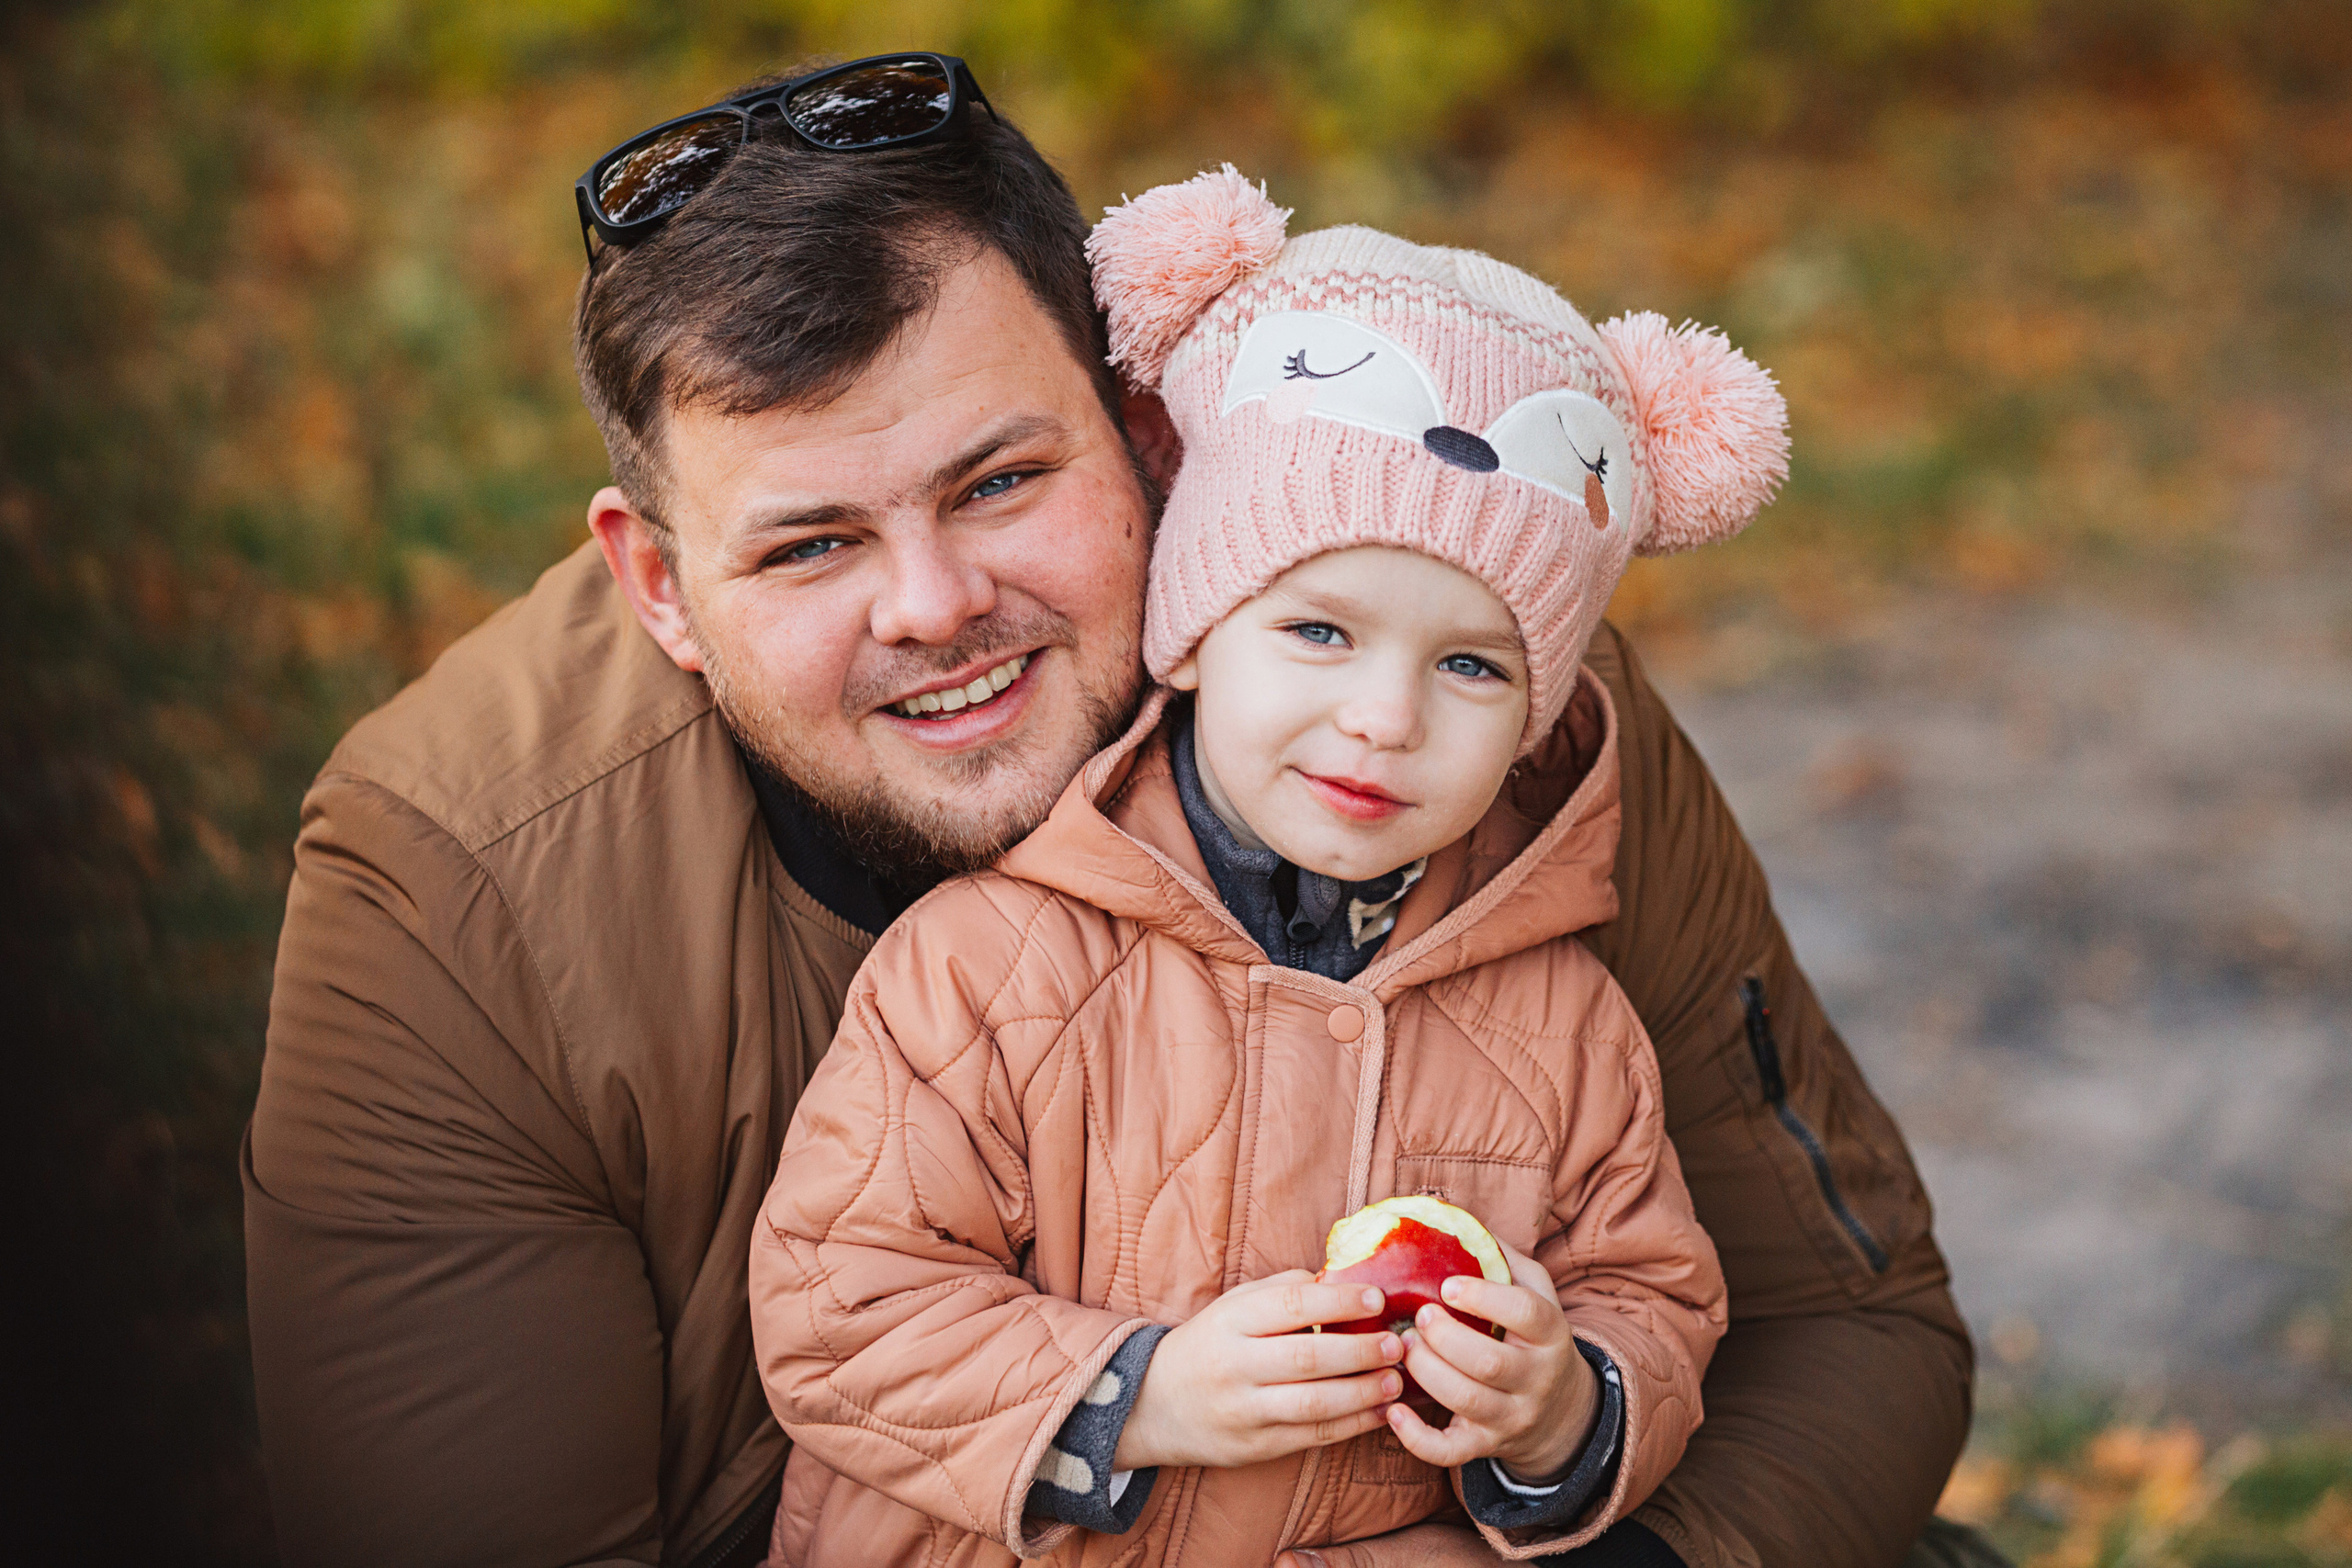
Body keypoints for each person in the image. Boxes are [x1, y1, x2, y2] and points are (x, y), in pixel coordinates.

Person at [243, 51, 1979, 1568]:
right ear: (664, 588)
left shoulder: (1467, 698)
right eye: (807, 543)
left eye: (1000, 480)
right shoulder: (454, 877)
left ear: (1147, 424)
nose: (930, 605)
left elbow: (1847, 1320)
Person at [745, 167, 1793, 1564]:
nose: (1385, 716)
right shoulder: (990, 969)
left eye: (1472, 665)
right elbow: (840, 1311)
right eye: (1317, 633)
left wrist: (1563, 1409)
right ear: (1192, 630)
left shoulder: (1563, 1023)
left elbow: (1651, 1297)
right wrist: (1138, 1395)